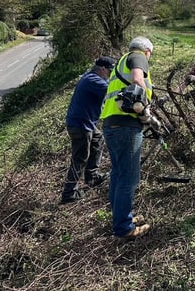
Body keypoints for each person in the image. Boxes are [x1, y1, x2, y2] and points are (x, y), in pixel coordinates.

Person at [100, 36, 155, 240]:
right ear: (147, 51)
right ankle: (123, 228)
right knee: (130, 178)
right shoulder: (138, 57)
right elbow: (137, 80)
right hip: (126, 124)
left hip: (110, 123)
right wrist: (146, 111)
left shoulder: (119, 62)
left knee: (118, 174)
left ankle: (121, 217)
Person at [60, 56, 116, 204]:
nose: (111, 74)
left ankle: (92, 176)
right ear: (102, 69)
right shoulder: (93, 80)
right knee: (80, 158)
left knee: (98, 139)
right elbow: (112, 90)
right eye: (110, 71)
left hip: (85, 123)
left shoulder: (90, 77)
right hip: (80, 125)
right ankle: (69, 193)